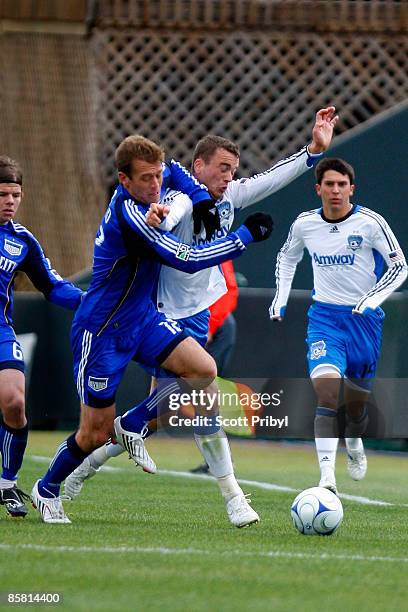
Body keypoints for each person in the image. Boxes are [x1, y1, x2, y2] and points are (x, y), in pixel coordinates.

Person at [64, 107, 338, 513]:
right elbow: (169, 212)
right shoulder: (178, 200)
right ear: (198, 167)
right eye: (222, 168)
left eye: (233, 170)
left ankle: (84, 469)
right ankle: (232, 497)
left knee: (167, 412)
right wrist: (158, 216)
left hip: (197, 314)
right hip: (160, 313)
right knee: (193, 401)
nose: (229, 177)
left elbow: (271, 178)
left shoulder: (229, 197)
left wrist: (313, 151)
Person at [31, 135, 273, 524]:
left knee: (203, 370)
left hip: (143, 319)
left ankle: (136, 424)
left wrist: (199, 199)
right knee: (93, 433)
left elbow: (178, 171)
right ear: (124, 181)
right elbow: (189, 260)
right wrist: (243, 237)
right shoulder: (131, 216)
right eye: (145, 179)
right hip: (103, 332)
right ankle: (47, 488)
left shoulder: (162, 186)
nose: (155, 185)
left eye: (158, 176)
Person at [269, 157, 407, 494]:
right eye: (329, 184)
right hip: (325, 319)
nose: (335, 191)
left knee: (357, 406)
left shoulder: (370, 223)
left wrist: (370, 300)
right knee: (328, 392)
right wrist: (280, 298)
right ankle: (327, 479)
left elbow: (400, 267)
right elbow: (287, 257)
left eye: (342, 185)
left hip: (364, 322)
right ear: (318, 188)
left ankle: (355, 438)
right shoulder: (304, 224)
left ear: (351, 188)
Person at [0, 155, 83, 518]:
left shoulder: (22, 241)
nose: (10, 202)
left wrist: (94, 302)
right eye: (3, 194)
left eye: (16, 195)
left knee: (15, 402)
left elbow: (53, 288)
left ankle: (7, 484)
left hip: (1, 331)